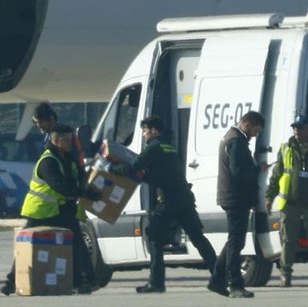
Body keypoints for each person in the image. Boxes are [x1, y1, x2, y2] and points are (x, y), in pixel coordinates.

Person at [109, 116, 217, 294]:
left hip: (170, 199)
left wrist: (110, 169)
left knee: (154, 237)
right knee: (198, 237)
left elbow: (131, 168)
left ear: (154, 131)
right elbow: (162, 174)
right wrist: (146, 176)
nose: (144, 134)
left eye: (145, 130)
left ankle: (156, 282)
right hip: (184, 197)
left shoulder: (154, 147)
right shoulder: (169, 147)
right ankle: (219, 275)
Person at [1, 124, 100, 296]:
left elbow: (78, 178)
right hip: (41, 210)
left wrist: (90, 186)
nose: (70, 143)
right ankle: (11, 283)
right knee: (26, 245)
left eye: (71, 139)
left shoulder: (68, 159)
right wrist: (85, 192)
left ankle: (84, 282)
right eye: (67, 140)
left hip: (62, 210)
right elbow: (59, 186)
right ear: (56, 140)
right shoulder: (48, 161)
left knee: (77, 245)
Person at [265, 114, 308, 287]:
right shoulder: (286, 149)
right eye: (295, 128)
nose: (297, 131)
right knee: (288, 240)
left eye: (301, 128)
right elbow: (276, 175)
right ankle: (285, 273)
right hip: (291, 204)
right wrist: (269, 197)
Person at [207, 111, 265, 298]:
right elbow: (238, 172)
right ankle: (235, 285)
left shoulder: (231, 138)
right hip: (235, 198)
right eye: (256, 130)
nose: (256, 134)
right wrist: (258, 169)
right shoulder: (237, 142)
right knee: (236, 243)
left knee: (234, 241)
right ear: (247, 124)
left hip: (233, 198)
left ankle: (217, 280)